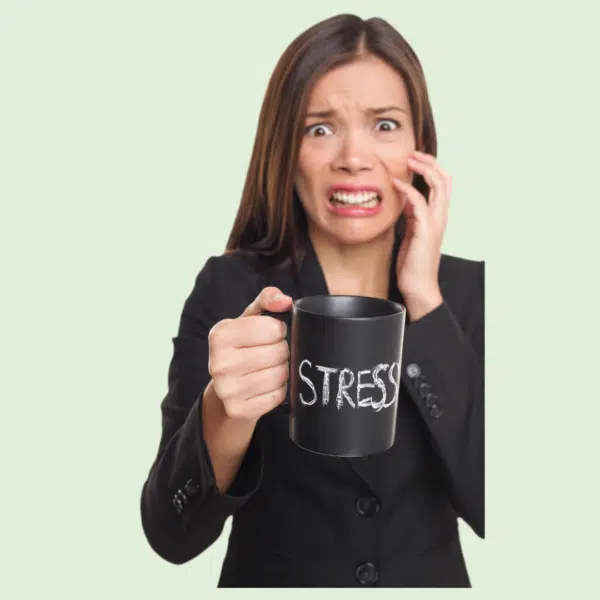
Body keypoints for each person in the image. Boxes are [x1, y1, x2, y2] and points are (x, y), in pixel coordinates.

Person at [140, 13, 484, 588]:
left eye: (385, 125)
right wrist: (225, 412)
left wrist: (425, 300)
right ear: (285, 150)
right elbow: (171, 534)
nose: (353, 156)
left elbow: (493, 506)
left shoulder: (473, 296)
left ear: (419, 147)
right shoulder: (230, 290)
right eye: (319, 129)